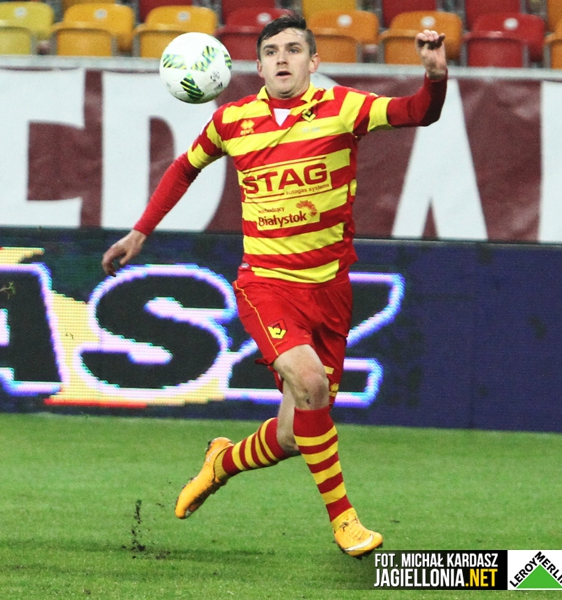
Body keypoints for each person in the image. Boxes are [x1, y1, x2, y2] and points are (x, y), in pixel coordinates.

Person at [102, 14, 447, 558]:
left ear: (314, 61)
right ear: (258, 66)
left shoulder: (343, 108)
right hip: (266, 285)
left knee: (293, 435)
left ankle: (223, 461)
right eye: (271, 51)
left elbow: (417, 112)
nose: (282, 58)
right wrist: (140, 231)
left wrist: (435, 75)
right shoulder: (232, 120)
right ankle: (345, 521)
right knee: (310, 384)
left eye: (293, 49)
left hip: (330, 291)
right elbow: (184, 168)